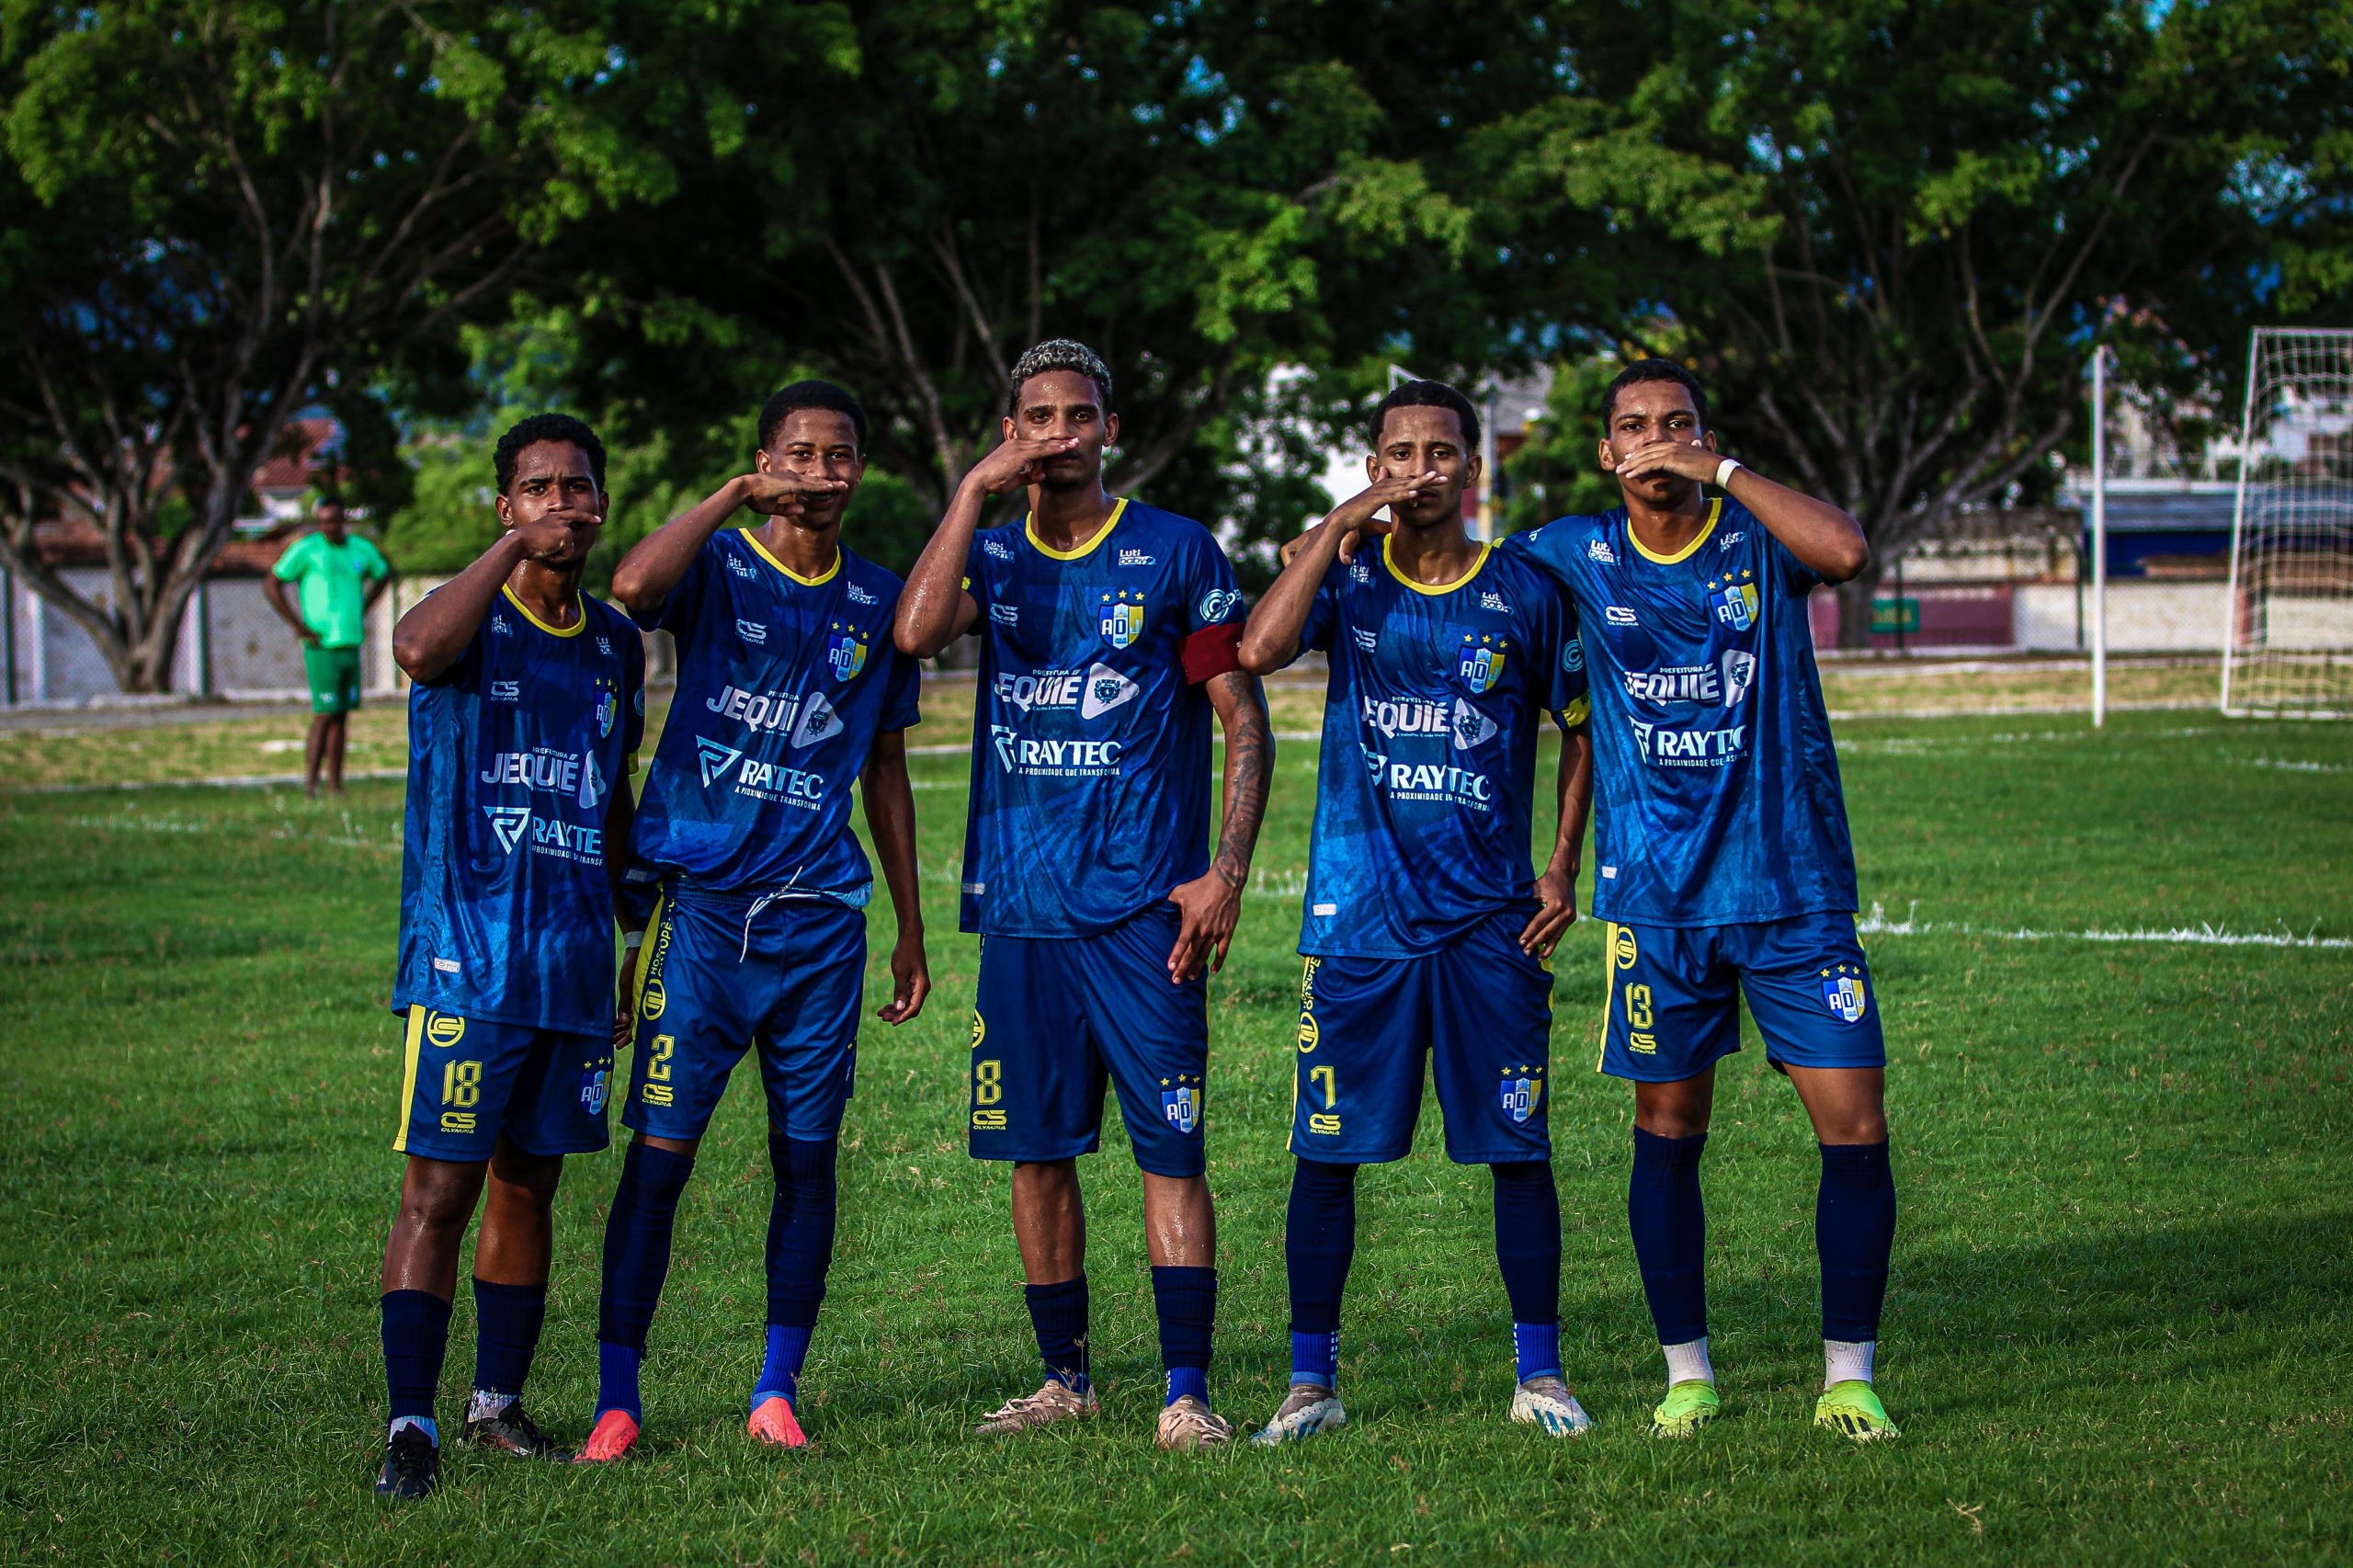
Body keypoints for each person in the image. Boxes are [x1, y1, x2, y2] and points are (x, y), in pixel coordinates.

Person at [1323, 358, 1895, 1440]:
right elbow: (1452, 561)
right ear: (1603, 451)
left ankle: (1848, 1373)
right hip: (1659, 903)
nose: (1655, 442)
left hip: (1791, 887)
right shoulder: (1568, 554)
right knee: (1666, 1127)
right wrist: (1357, 529)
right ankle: (1688, 1372)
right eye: (1633, 427)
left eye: (1676, 425)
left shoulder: (1756, 535)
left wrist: (1722, 468)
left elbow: (1849, 550)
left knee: (1853, 1125)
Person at [893, 339, 1274, 1450]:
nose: (1055, 435)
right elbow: (915, 634)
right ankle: (1064, 1378)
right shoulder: (994, 558)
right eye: (1034, 419)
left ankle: (1187, 1392)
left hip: (1142, 912)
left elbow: (1240, 715)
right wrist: (969, 490)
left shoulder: (1174, 551)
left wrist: (1227, 870)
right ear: (1012, 432)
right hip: (1022, 910)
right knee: (1036, 1151)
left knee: (1173, 1151)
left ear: (1110, 428)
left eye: (1074, 416)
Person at [573, 381, 929, 1463]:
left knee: (805, 1161)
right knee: (661, 1159)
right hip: (706, 917)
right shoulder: (723, 564)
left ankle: (777, 1388)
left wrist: (910, 926)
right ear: (766, 462)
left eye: (839, 457)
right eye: (798, 456)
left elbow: (885, 767)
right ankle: (616, 1397)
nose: (819, 475)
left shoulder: (878, 599)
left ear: (860, 469)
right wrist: (730, 493)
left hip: (821, 923)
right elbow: (632, 585)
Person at [1235, 381, 1597, 1444]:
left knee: (1517, 1149)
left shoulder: (1524, 590)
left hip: (1492, 919)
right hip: (1358, 922)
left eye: (1440, 451)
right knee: (1327, 1154)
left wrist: (1562, 862)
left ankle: (1540, 1372)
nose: (1420, 468)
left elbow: (1575, 726)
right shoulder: (1346, 581)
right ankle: (1311, 1382)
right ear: (1372, 463)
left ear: (1473, 470)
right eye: (1398, 451)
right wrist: (1341, 522)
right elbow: (1256, 647)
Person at [374, 415, 644, 1500]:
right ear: (506, 505)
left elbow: (615, 793)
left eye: (576, 489)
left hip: (573, 961)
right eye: (536, 488)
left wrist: (629, 939)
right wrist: (510, 553)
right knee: (438, 1191)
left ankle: (495, 1404)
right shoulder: (468, 620)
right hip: (464, 962)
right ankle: (410, 1422)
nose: (559, 504)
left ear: (600, 504)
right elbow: (410, 648)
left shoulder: (618, 643)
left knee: (529, 1185)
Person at [267, 495, 392, 796]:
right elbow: (272, 582)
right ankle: (311, 783)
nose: (328, 527)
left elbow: (383, 573)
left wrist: (363, 606)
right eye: (322, 522)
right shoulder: (307, 550)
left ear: (343, 521)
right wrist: (298, 625)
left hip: (349, 640)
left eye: (333, 521)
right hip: (321, 644)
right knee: (324, 712)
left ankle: (335, 784)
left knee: (341, 714)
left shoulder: (360, 549)